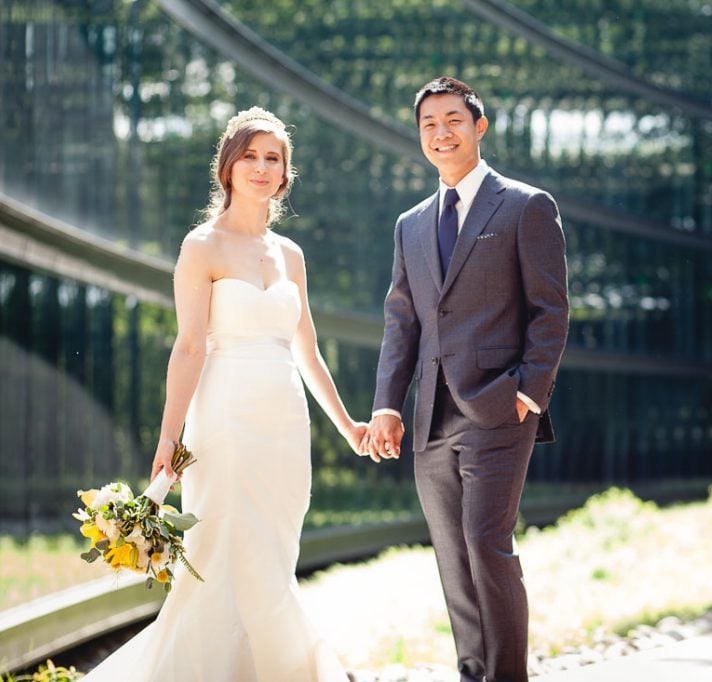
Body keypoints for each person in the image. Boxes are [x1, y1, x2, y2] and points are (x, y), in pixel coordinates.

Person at [84, 107, 362, 681]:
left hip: (284, 423)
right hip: (224, 419)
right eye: (251, 157)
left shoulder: (291, 255)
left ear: (285, 173)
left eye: (274, 158)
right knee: (220, 552)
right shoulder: (201, 246)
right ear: (228, 167)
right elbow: (189, 347)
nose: (262, 168)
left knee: (275, 555)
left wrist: (348, 426)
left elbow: (307, 351)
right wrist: (169, 439)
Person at [363, 77, 569, 682]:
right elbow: (402, 320)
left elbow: (550, 309)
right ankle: (474, 673)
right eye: (429, 123)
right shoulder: (411, 224)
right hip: (430, 418)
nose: (440, 132)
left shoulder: (526, 206)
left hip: (499, 408)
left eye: (453, 119)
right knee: (454, 561)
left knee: (486, 544)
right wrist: (387, 406)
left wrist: (528, 392)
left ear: (479, 127)